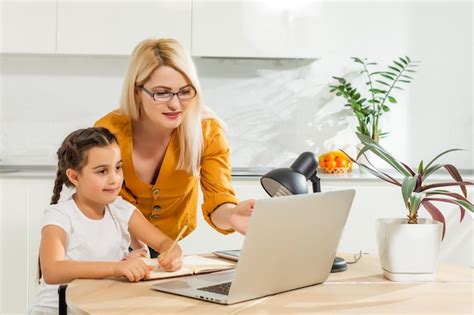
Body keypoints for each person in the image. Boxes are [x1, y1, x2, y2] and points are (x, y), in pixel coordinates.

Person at [95, 38, 254, 257]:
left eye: (185, 91)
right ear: (136, 93)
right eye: (162, 93)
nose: (175, 104)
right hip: (109, 243)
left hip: (167, 246)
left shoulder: (207, 131)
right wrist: (139, 247)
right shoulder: (108, 132)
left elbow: (218, 199)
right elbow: (109, 205)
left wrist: (233, 215)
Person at [31, 127, 182, 314]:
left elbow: (165, 243)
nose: (114, 179)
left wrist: (172, 254)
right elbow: (53, 270)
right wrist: (118, 267)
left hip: (98, 308)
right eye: (102, 171)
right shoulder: (60, 216)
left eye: (118, 168)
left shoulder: (122, 210)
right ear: (74, 177)